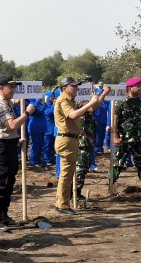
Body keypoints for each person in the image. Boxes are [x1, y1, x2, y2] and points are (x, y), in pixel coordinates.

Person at [54, 77, 108, 215]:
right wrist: (90, 102)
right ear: (65, 88)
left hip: (71, 139)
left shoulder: (70, 101)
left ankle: (62, 203)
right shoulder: (63, 100)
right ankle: (62, 205)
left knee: (68, 174)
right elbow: (72, 115)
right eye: (74, 86)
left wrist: (96, 100)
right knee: (66, 175)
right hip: (66, 140)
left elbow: (87, 110)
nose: (77, 88)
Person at [0, 75, 35, 231]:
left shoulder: (6, 103)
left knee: (9, 183)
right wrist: (27, 113)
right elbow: (12, 125)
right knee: (2, 184)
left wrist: (15, 140)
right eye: (11, 87)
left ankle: (3, 215)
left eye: (15, 87)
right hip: (2, 147)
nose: (14, 89)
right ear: (1, 88)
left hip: (8, 145)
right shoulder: (0, 105)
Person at [28, 98, 46, 167]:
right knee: (35, 145)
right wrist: (43, 103)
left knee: (40, 145)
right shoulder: (32, 102)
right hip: (35, 128)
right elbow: (37, 112)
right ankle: (33, 161)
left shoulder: (40, 103)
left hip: (41, 128)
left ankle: (38, 160)